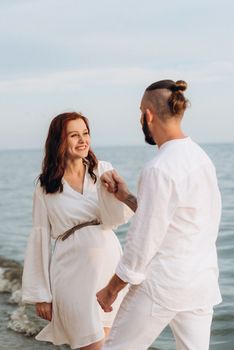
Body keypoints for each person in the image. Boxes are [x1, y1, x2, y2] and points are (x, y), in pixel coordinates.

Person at [97, 80, 222, 350]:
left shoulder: (159, 167)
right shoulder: (201, 159)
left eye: (140, 112)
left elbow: (143, 241)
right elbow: (177, 218)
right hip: (201, 283)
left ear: (148, 115)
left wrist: (111, 289)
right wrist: (127, 197)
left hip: (162, 285)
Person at [22, 112, 133, 350]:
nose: (83, 140)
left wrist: (113, 194)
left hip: (108, 268)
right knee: (90, 345)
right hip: (71, 274)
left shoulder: (103, 170)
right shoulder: (45, 186)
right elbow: (39, 238)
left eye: (85, 133)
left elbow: (116, 218)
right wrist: (41, 293)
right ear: (58, 141)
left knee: (108, 345)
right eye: (74, 135)